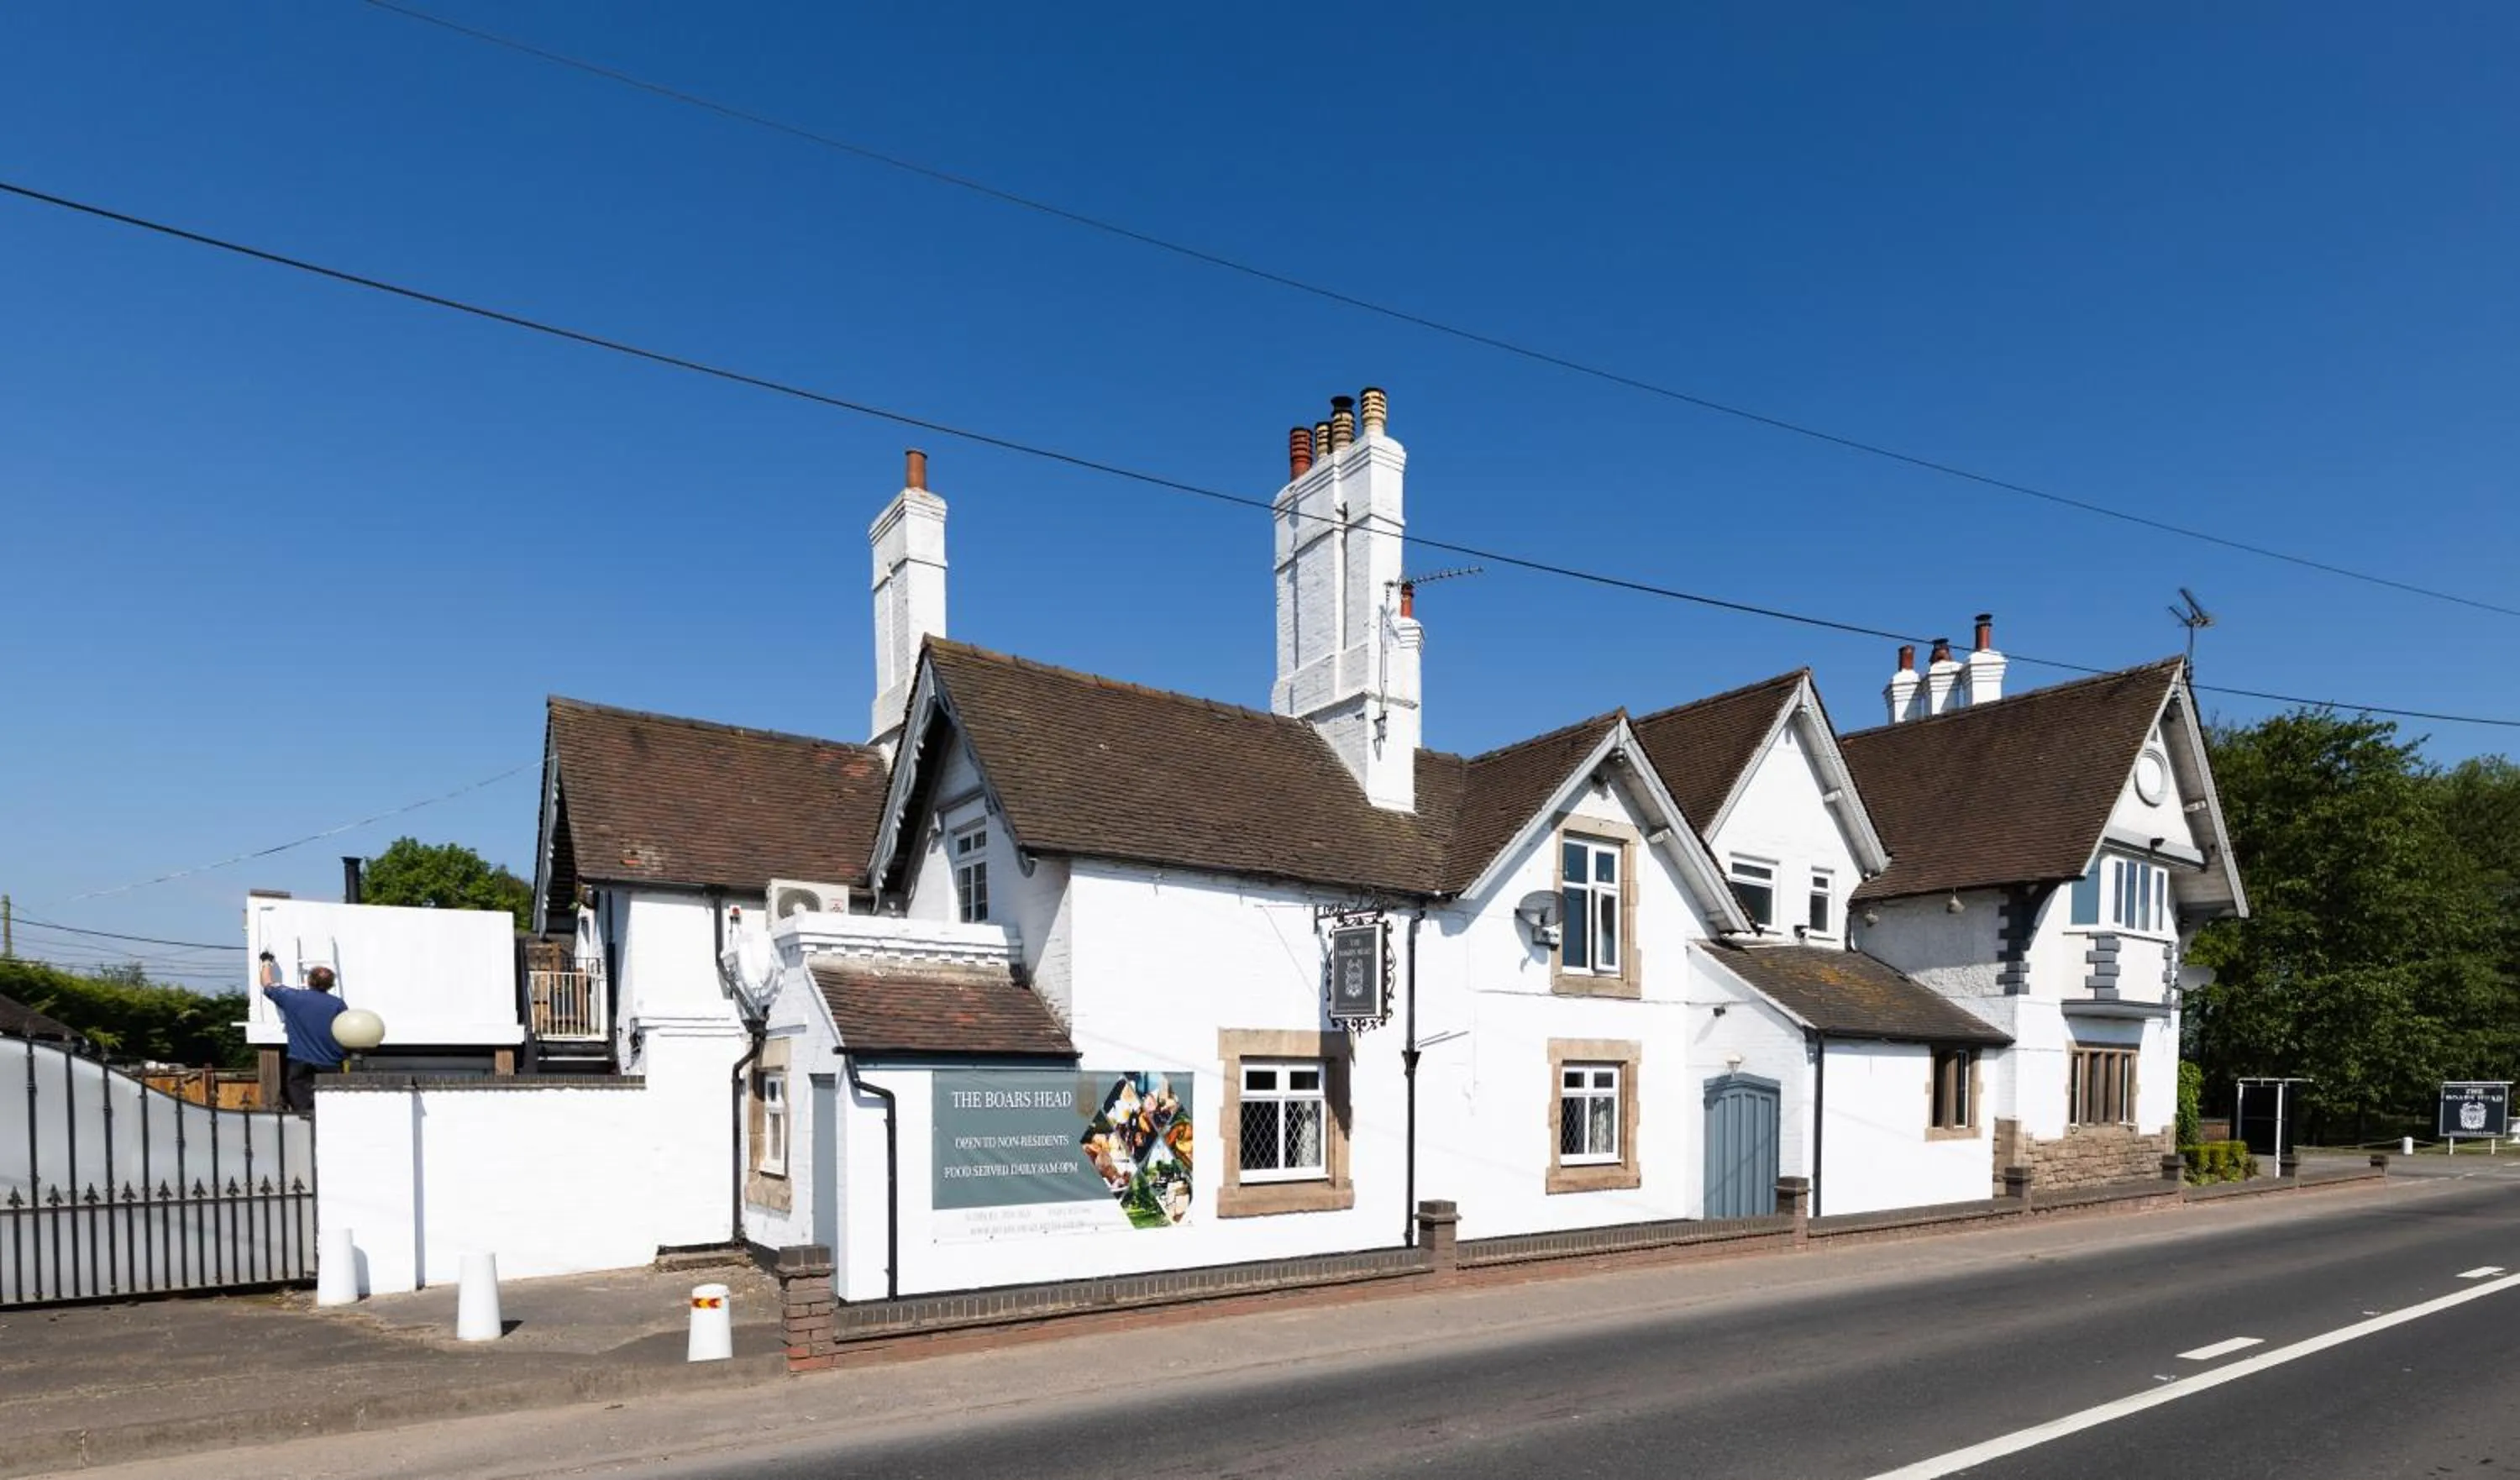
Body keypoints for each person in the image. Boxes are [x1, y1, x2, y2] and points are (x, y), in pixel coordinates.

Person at [260, 956, 346, 1115]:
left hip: (300, 1061)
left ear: (309, 981)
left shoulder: (292, 997)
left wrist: (266, 961)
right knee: (331, 1108)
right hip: (329, 1062)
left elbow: (267, 984)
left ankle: (306, 1123)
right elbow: (345, 1032)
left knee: (302, 1110)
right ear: (331, 984)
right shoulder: (338, 1004)